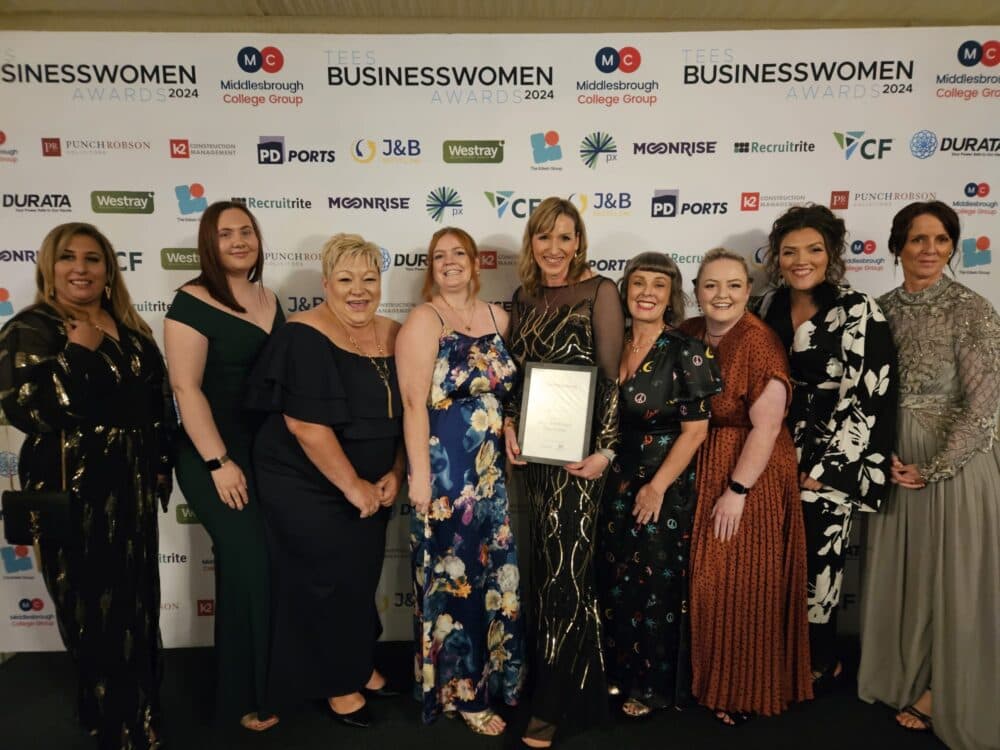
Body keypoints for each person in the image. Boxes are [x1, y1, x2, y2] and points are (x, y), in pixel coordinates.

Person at [0, 223, 173, 750]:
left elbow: (157, 404)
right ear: (49, 267)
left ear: (109, 269)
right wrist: (76, 355)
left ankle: (140, 712)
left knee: (137, 604)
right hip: (75, 493)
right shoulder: (32, 328)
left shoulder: (131, 326)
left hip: (133, 488)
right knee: (91, 609)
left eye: (93, 258)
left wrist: (163, 465)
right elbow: (25, 411)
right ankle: (109, 721)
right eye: (68, 257)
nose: (81, 268)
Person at [245, 233, 403, 729]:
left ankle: (358, 663)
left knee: (359, 576)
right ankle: (336, 682)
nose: (359, 291)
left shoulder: (396, 333)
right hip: (305, 480)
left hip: (373, 480)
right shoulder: (302, 333)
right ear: (325, 283)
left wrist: (395, 472)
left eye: (369, 279)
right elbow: (306, 426)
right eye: (345, 279)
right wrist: (353, 485)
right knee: (326, 579)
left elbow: (411, 410)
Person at [858, 201, 1000, 750]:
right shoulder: (879, 308)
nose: (930, 250)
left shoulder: (972, 309)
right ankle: (906, 675)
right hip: (896, 461)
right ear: (897, 246)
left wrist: (937, 466)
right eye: (918, 239)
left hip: (955, 466)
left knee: (957, 583)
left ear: (952, 246)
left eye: (941, 240)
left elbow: (984, 404)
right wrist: (883, 455)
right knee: (910, 576)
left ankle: (947, 689)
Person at [754, 205, 897, 688]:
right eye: (790, 251)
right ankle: (775, 655)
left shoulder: (858, 309)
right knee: (771, 559)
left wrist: (826, 467)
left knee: (819, 562)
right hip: (767, 450)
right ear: (776, 257)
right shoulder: (764, 305)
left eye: (813, 249)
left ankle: (818, 659)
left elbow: (868, 394)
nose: (801, 260)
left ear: (832, 253)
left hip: (829, 456)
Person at [503, 197, 624, 748]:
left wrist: (606, 451)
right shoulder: (524, 296)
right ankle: (563, 687)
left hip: (581, 462)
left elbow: (610, 378)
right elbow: (516, 376)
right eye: (544, 237)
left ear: (580, 243)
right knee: (542, 571)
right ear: (532, 242)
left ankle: (554, 708)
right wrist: (509, 423)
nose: (555, 248)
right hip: (535, 457)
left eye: (566, 238)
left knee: (567, 578)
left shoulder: (600, 292)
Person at [397, 227, 524, 734]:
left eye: (459, 254)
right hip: (447, 475)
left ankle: (495, 680)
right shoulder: (424, 320)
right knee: (458, 584)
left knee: (493, 580)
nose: (449, 262)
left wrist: (511, 424)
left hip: (492, 477)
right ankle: (462, 693)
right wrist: (421, 479)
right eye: (439, 256)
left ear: (475, 263)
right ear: (432, 267)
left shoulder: (500, 317)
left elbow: (509, 391)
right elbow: (412, 405)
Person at [678, 248, 812, 724]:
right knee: (709, 582)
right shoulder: (689, 333)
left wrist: (736, 492)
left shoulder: (759, 341)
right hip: (705, 461)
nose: (722, 295)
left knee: (738, 581)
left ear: (749, 291)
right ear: (696, 290)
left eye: (734, 285)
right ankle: (708, 680)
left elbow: (768, 426)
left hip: (748, 470)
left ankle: (743, 689)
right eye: (711, 285)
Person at [163, 201, 283, 731]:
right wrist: (219, 462)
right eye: (225, 233)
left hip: (267, 456)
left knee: (257, 569)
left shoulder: (270, 297)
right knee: (248, 564)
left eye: (246, 231)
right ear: (208, 245)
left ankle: (259, 685)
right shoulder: (189, 301)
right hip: (212, 456)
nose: (238, 241)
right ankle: (241, 698)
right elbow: (185, 388)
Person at [596, 252, 721, 719]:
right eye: (638, 283)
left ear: (671, 297)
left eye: (658, 286)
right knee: (616, 580)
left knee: (655, 589)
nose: (646, 293)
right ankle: (618, 674)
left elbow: (696, 432)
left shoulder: (687, 350)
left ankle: (651, 687)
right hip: (615, 478)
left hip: (662, 484)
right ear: (625, 292)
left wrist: (657, 487)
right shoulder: (613, 345)